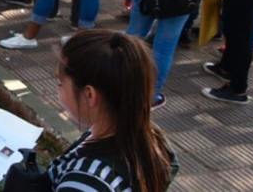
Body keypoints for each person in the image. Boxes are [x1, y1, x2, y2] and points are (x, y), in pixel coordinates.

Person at [49, 30, 178, 192]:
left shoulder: (85, 182)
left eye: (60, 83)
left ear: (89, 95)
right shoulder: (147, 135)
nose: (58, 89)